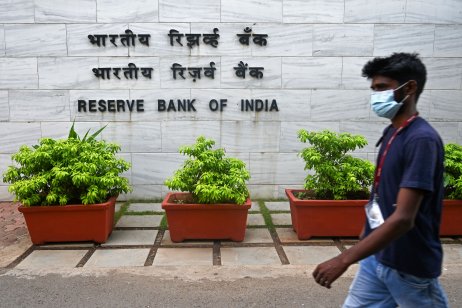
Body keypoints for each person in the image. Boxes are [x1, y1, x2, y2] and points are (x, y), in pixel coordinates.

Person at [312, 53, 449, 307]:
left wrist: (344, 259)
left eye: (382, 88)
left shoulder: (421, 140)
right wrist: (365, 240)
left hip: (409, 265)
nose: (376, 96)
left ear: (409, 88)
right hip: (377, 258)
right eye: (373, 89)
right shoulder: (393, 131)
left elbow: (404, 218)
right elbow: (381, 195)